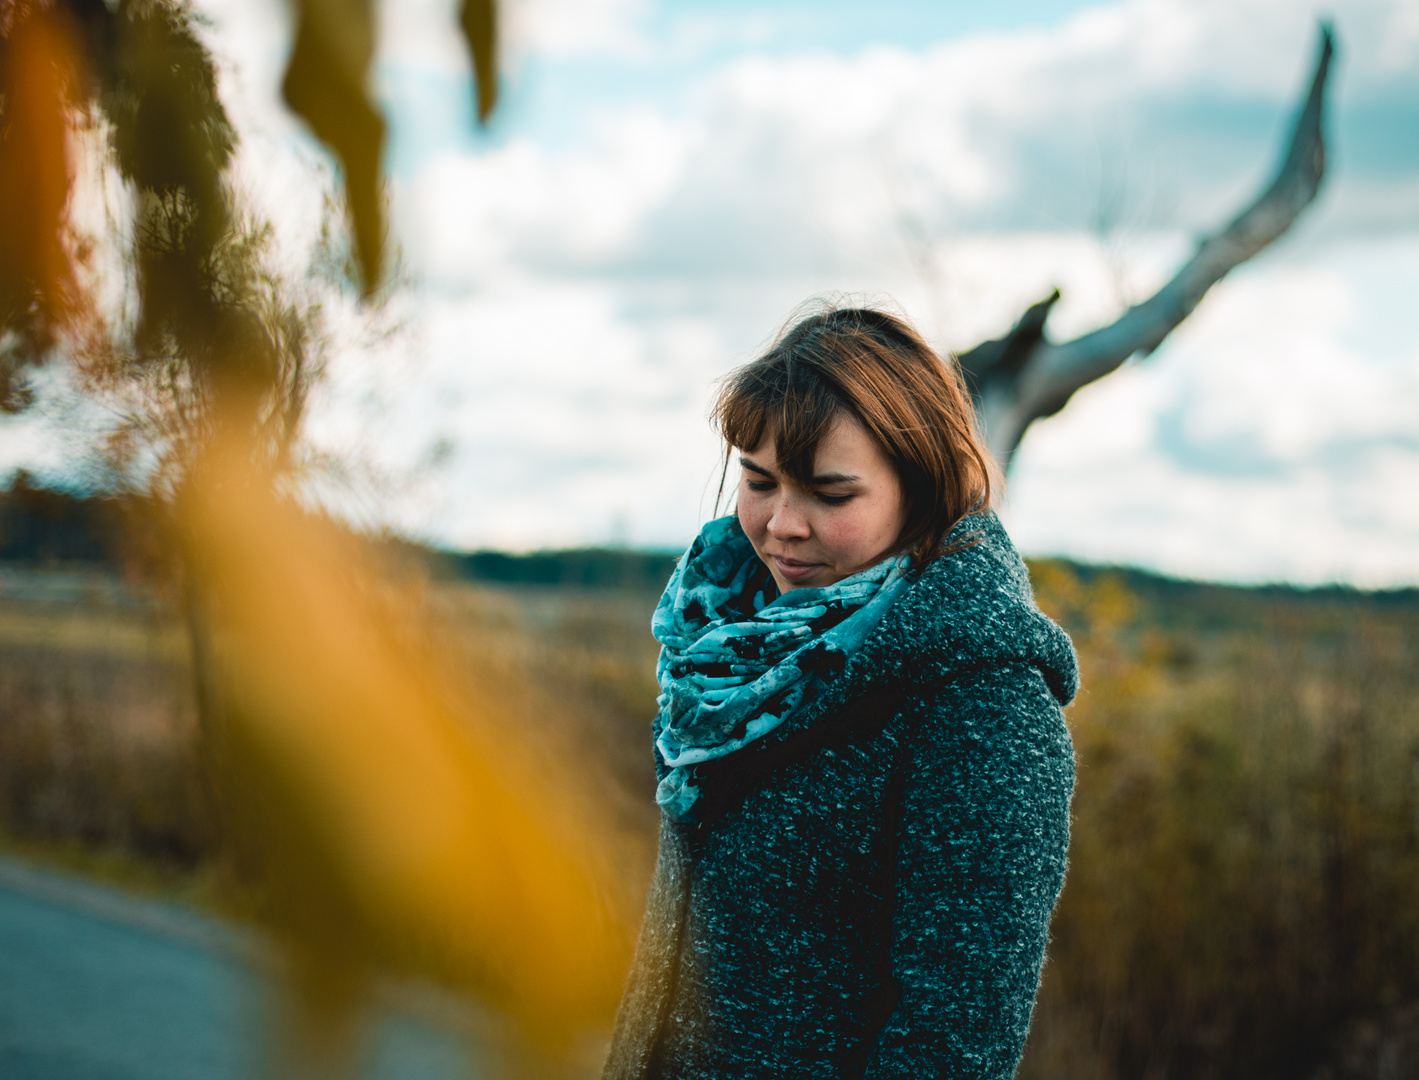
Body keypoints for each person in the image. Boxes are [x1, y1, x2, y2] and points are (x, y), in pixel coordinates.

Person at [603, 304, 1078, 1079]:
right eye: (759, 481)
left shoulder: (983, 704)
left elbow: (954, 1045)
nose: (782, 524)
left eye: (830, 494)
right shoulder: (724, 651)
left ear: (921, 491)